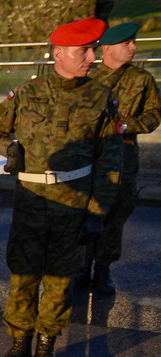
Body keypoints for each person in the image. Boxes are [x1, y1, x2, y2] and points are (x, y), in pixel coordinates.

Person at [0, 17, 122, 357]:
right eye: (84, 50)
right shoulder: (27, 93)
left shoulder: (101, 96)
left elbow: (110, 158)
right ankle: (18, 347)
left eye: (92, 49)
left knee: (60, 280)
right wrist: (9, 147)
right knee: (23, 276)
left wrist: (97, 211)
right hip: (30, 200)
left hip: (73, 203)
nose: (91, 57)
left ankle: (45, 351)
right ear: (58, 53)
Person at [87, 22, 160, 294]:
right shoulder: (89, 77)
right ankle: (81, 267)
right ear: (108, 48)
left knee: (116, 215)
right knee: (86, 211)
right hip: (90, 158)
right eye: (127, 43)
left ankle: (102, 270)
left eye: (134, 42)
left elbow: (154, 114)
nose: (134, 47)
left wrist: (127, 126)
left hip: (123, 157)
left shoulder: (141, 80)